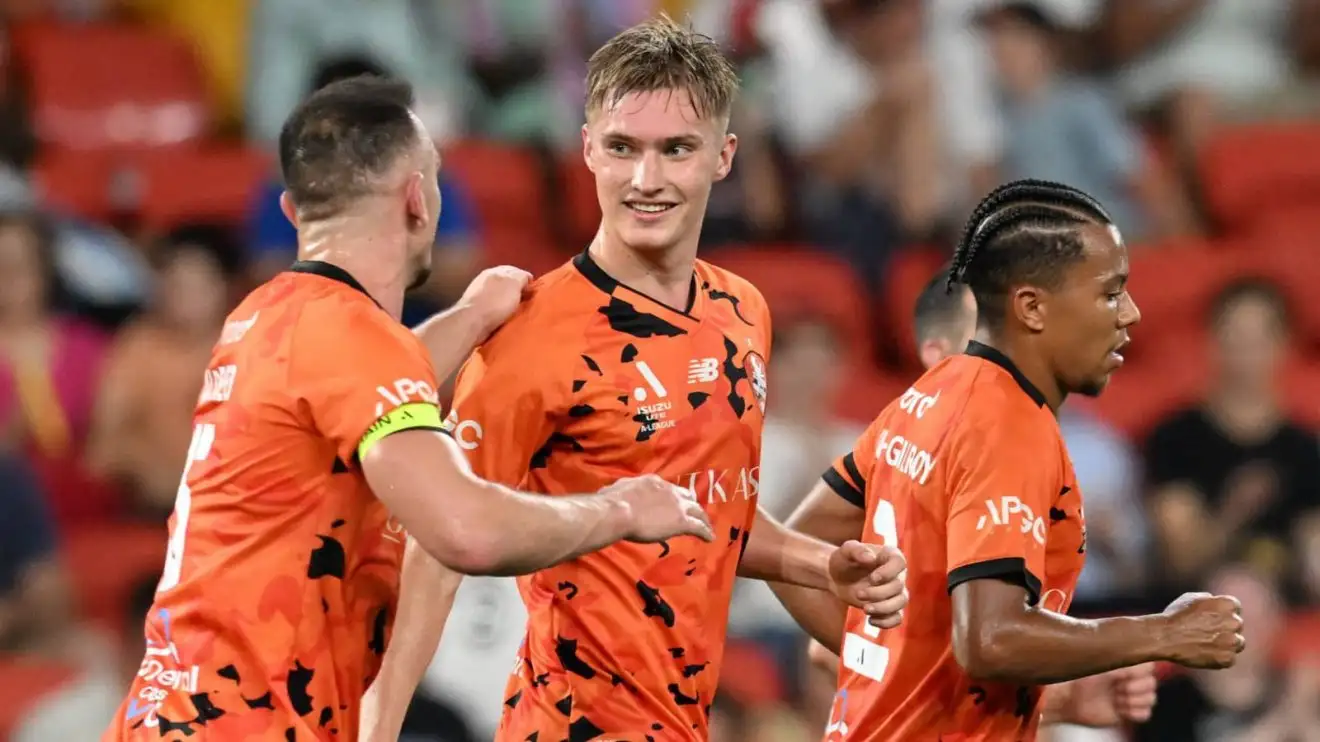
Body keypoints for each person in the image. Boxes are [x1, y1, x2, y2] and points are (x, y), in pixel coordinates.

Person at [102, 75, 716, 742]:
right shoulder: (352, 338)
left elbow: (365, 386)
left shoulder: (263, 319)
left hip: (169, 717)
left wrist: (473, 316)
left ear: (291, 211)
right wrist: (621, 508)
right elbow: (465, 529)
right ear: (418, 201)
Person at [362, 16, 909, 742]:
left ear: (723, 156)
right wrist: (376, 727)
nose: (646, 180)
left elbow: (713, 511)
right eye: (623, 148)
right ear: (588, 148)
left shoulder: (742, 312)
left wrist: (819, 564)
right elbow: (438, 550)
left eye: (676, 149)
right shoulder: (533, 333)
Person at [771, 178, 1246, 740]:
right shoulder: (1009, 428)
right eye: (1111, 292)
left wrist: (911, 672)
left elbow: (798, 549)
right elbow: (991, 640)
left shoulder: (937, 389)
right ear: (1032, 307)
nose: (1132, 314)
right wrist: (1165, 633)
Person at [804, 266, 1158, 731]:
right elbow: (838, 641)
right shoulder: (941, 457)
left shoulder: (937, 440)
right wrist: (1161, 633)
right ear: (938, 356)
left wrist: (1060, 700)